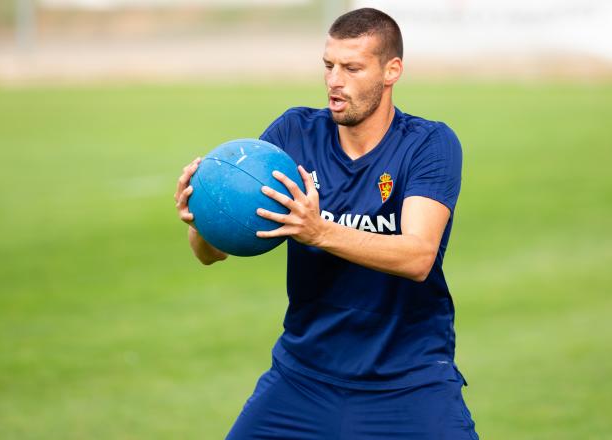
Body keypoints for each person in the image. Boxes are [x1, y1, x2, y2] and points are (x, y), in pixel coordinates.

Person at [174, 7, 478, 440]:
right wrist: (201, 219)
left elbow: (418, 255)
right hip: (304, 377)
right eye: (328, 65)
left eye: (352, 67)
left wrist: (318, 231)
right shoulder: (294, 134)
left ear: (392, 71)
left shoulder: (428, 144)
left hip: (410, 382)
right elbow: (210, 255)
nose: (335, 80)